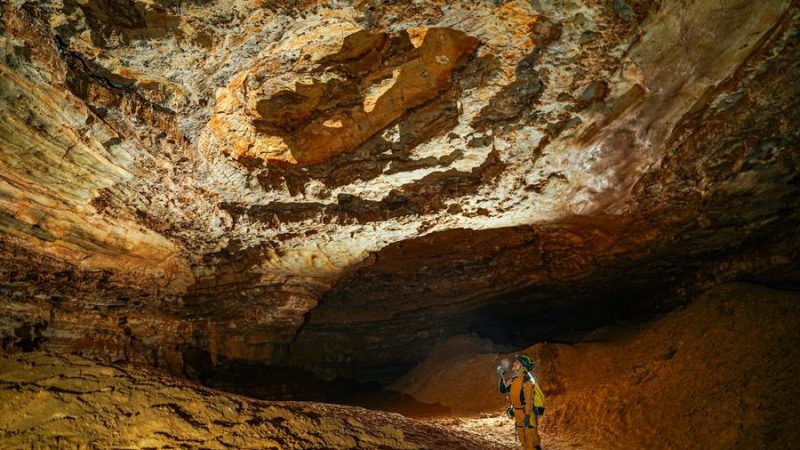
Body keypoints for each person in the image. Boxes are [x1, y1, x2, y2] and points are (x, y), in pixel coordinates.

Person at [498, 354, 544, 450]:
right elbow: (503, 390)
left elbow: (529, 400)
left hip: (527, 413)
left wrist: (527, 416)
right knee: (523, 438)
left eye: (517, 362)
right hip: (519, 413)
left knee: (530, 439)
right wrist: (501, 376)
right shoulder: (514, 380)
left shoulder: (527, 381)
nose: (514, 363)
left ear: (523, 367)